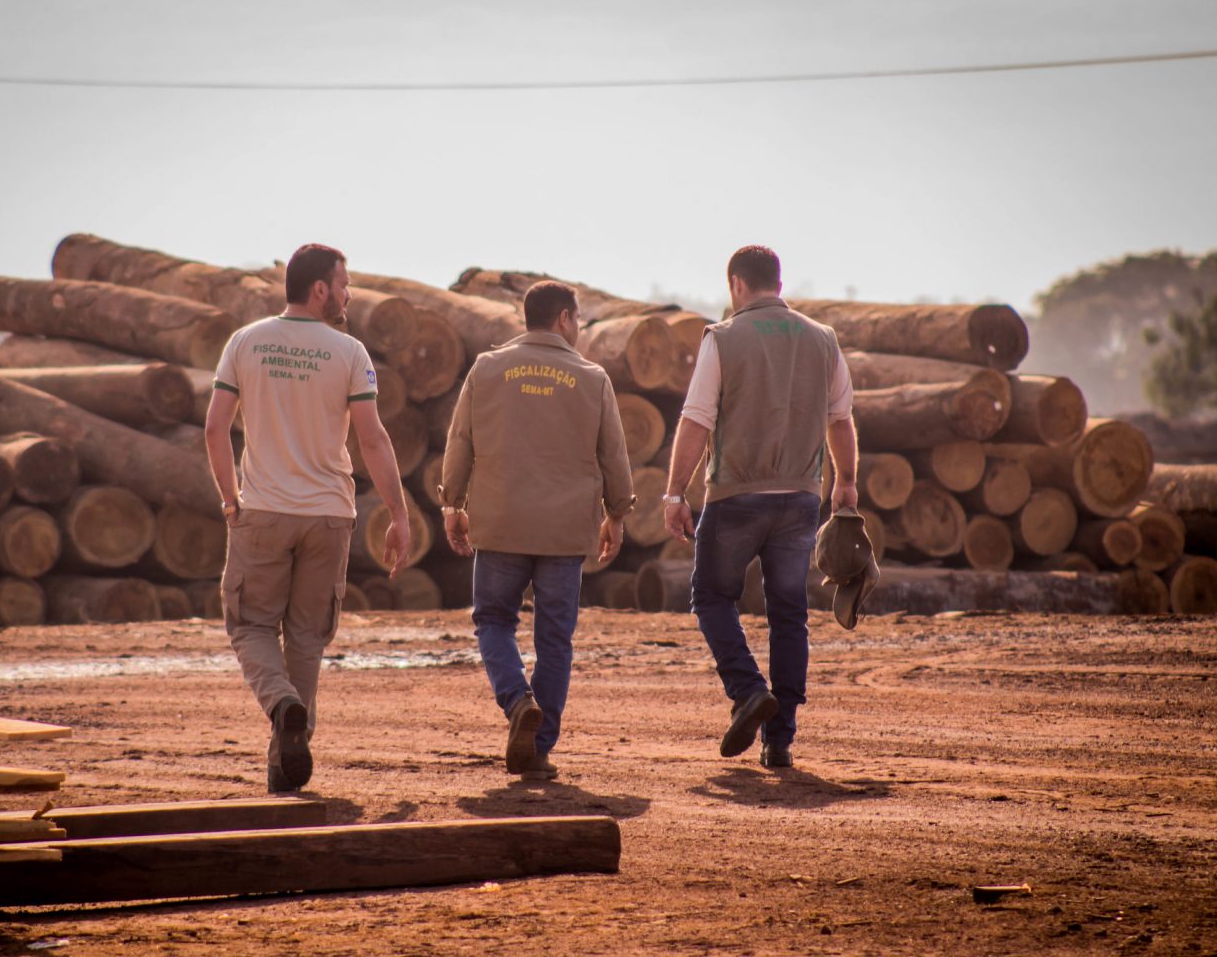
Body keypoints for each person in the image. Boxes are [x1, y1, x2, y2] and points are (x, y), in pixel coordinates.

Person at [205, 243, 410, 794]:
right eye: (343, 284)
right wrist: (398, 513)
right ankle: (287, 751)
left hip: (264, 510)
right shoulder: (349, 352)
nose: (347, 295)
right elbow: (372, 438)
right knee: (306, 638)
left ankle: (282, 707)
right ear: (319, 288)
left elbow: (215, 429)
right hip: (329, 517)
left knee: (249, 626)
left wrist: (231, 499)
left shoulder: (245, 342)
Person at [663, 245, 857, 769]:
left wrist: (676, 492)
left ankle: (748, 690)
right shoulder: (823, 339)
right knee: (789, 613)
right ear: (778, 280)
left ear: (735, 285)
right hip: (800, 496)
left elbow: (697, 418)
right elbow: (841, 418)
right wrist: (845, 484)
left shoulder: (723, 338)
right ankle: (780, 741)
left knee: (711, 598)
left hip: (735, 495)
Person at [440, 280, 635, 781]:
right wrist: (617, 513)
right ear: (565, 319)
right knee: (555, 640)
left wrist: (452, 504)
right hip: (565, 532)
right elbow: (613, 453)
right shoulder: (591, 378)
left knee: (493, 621)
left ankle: (516, 700)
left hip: (501, 523)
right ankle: (540, 746)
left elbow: (460, 440)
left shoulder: (487, 369)